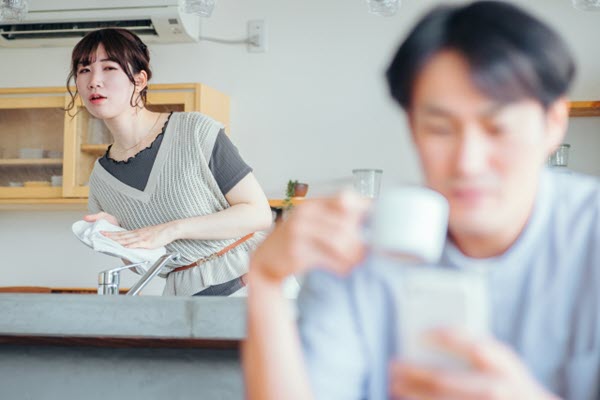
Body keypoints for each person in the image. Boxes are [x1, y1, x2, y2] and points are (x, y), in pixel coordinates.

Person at [243, 2, 600, 399]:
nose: (468, 162)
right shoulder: (357, 248)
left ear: (553, 124)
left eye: (497, 128)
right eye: (440, 128)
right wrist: (266, 283)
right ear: (413, 129)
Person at [66, 28, 272, 296]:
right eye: (84, 70)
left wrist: (171, 230)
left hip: (252, 283)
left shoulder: (194, 131)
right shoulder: (101, 177)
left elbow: (258, 214)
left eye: (109, 68)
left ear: (140, 80)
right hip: (184, 299)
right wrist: (116, 237)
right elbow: (143, 266)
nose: (94, 81)